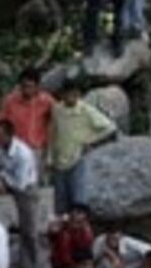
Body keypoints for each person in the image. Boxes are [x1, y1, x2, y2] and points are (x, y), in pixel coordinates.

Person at [0, 118, 42, 268]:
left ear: (9, 136)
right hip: (4, 181)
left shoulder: (23, 154)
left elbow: (20, 183)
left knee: (29, 229)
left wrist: (1, 178)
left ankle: (33, 266)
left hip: (25, 187)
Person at [49, 85, 115, 213]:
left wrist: (92, 142)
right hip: (60, 159)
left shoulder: (86, 110)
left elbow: (110, 128)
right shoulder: (57, 110)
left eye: (73, 95)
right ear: (62, 95)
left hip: (78, 157)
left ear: (78, 95)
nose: (70, 98)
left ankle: (79, 226)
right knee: (60, 201)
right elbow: (53, 131)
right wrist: (50, 157)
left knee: (78, 198)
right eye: (67, 95)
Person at [0, 67, 55, 157]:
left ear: (37, 86)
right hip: (14, 149)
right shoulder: (10, 101)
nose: (26, 90)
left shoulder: (47, 101)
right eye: (23, 86)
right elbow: (0, 124)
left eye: (30, 86)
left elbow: (56, 121)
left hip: (36, 149)